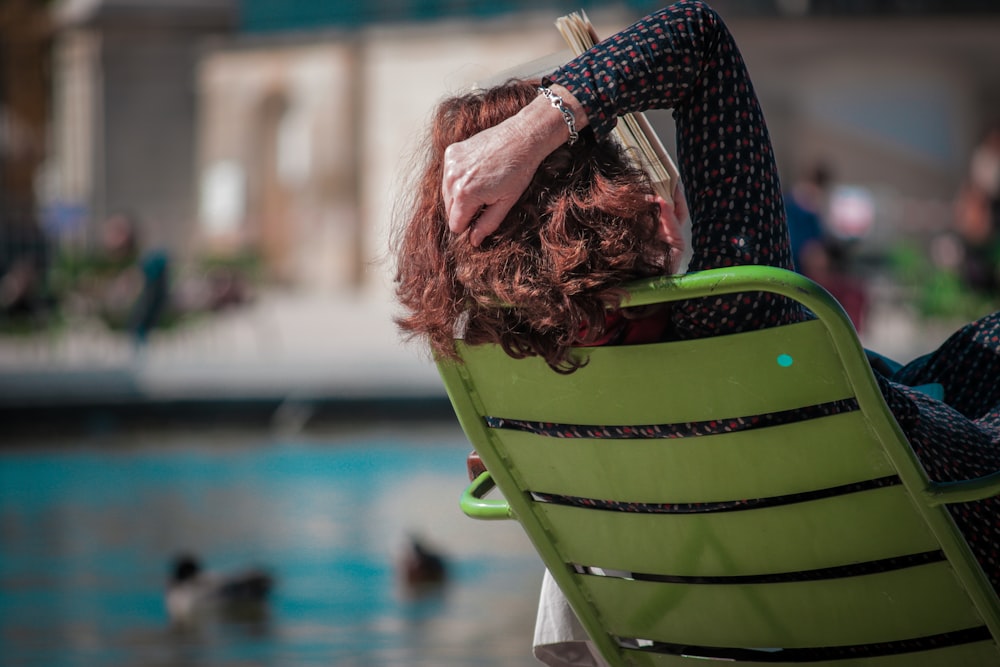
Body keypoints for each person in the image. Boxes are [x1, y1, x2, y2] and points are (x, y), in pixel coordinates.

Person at [394, 2, 1000, 664]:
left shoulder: (534, 409)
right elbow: (699, 41)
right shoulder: (738, 319)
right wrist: (539, 127)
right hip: (956, 550)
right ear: (612, 198)